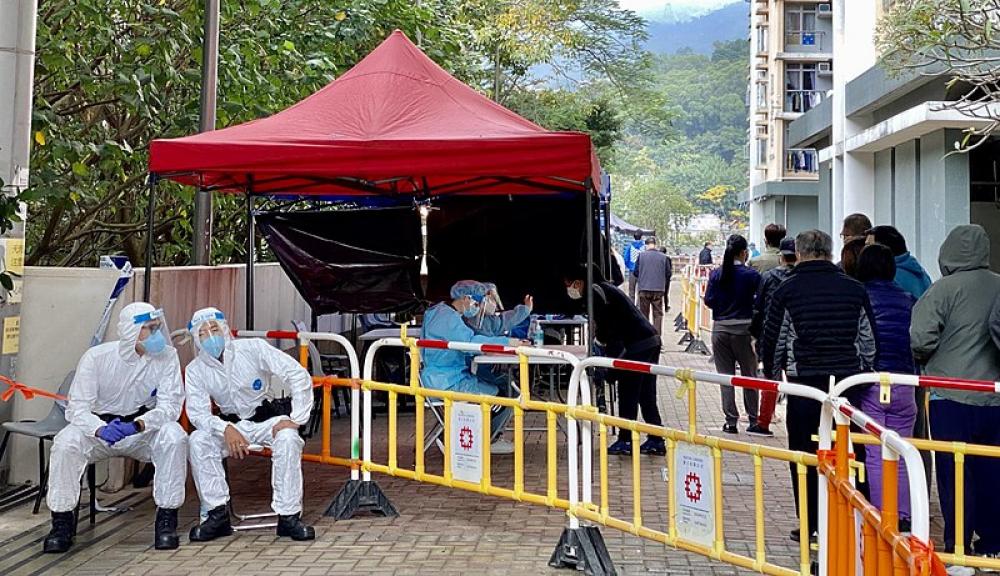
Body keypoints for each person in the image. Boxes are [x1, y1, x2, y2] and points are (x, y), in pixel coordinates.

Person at [760, 229, 876, 542]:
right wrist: (864, 371)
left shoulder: (788, 289)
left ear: (799, 254)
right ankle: (857, 516)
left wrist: (773, 375)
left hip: (805, 385)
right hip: (847, 382)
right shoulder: (854, 289)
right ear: (828, 251)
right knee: (852, 451)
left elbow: (775, 337)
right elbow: (867, 338)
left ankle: (811, 521)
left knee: (805, 453)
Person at [43, 303, 187, 553]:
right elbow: (77, 408)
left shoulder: (167, 356)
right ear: (131, 331)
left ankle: (166, 520)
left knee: (174, 437)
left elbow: (170, 406)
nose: (157, 335)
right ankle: (61, 523)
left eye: (157, 328)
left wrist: (138, 424)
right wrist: (100, 429)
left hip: (141, 430)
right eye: (149, 328)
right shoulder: (97, 358)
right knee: (66, 443)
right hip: (99, 431)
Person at [185, 307, 316, 542]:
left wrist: (295, 419)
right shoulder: (196, 370)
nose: (211, 336)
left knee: (288, 439)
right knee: (198, 440)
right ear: (197, 339)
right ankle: (217, 514)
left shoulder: (253, 348)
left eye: (215, 328)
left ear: (225, 329)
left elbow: (297, 374)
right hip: (229, 425)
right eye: (203, 333)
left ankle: (289, 516)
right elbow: (196, 412)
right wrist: (224, 428)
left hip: (265, 419)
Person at [911, 225, 1000, 559]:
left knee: (954, 475)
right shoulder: (998, 285)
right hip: (995, 397)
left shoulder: (941, 291)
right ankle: (993, 544)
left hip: (949, 396)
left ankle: (958, 547)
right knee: (992, 471)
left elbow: (921, 339)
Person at [562, 264, 664, 455]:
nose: (569, 289)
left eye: (569, 284)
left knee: (628, 392)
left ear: (579, 281)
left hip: (636, 345)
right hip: (650, 340)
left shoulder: (596, 291)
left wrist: (609, 365)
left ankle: (626, 440)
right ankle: (656, 439)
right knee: (645, 394)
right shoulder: (604, 289)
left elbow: (609, 329)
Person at [421, 281, 525, 454]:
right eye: (476, 303)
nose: (477, 308)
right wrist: (508, 343)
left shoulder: (438, 312)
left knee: (501, 386)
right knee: (501, 396)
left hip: (439, 376)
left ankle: (480, 439)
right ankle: (477, 441)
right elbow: (469, 342)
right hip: (447, 381)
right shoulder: (448, 318)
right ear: (465, 298)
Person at [856, 244, 918, 527]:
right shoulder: (909, 299)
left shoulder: (859, 296)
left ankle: (883, 516)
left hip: (871, 380)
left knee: (875, 450)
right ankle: (903, 515)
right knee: (902, 450)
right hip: (905, 381)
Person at [703, 234, 762, 435]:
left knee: (725, 378)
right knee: (749, 376)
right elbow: (760, 302)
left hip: (720, 329)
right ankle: (754, 420)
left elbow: (709, 300)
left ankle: (731, 422)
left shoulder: (717, 274)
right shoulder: (752, 276)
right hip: (744, 331)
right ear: (743, 252)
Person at [749, 237, 797, 437]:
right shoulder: (801, 279)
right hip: (796, 335)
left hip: (771, 332)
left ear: (781, 257)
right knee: (796, 381)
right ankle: (797, 422)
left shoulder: (768, 277)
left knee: (770, 378)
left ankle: (763, 422)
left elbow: (758, 308)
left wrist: (754, 334)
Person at [864, 225, 932, 301]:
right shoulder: (920, 272)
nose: (864, 251)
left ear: (884, 249)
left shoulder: (889, 278)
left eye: (869, 247)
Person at [634, 237, 673, 335]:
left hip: (644, 289)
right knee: (658, 315)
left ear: (646, 245)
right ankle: (657, 337)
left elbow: (635, 272)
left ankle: (645, 337)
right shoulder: (664, 257)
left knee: (644, 314)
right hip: (659, 289)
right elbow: (668, 273)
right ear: (655, 244)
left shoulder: (641, 256)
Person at [623, 233, 645, 303]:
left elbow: (626, 258)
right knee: (640, 291)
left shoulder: (630, 246)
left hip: (632, 271)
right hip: (641, 271)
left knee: (631, 291)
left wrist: (630, 266)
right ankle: (638, 306)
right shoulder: (644, 247)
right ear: (641, 237)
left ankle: (632, 305)